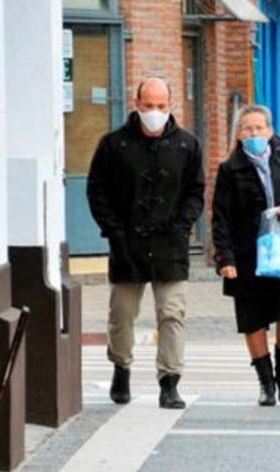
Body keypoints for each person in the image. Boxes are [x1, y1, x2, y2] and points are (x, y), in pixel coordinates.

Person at [87, 77, 205, 410]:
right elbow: (98, 191)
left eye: (161, 106)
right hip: (127, 245)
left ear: (171, 105)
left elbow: (196, 192)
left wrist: (182, 226)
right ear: (136, 104)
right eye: (149, 106)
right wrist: (114, 231)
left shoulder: (187, 145)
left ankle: (170, 382)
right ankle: (121, 367)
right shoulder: (113, 145)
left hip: (171, 245)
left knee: (172, 314)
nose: (155, 112)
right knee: (121, 314)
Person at [212, 105, 280, 407]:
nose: (254, 134)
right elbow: (220, 217)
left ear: (270, 131)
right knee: (252, 320)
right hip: (247, 255)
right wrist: (225, 259)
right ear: (239, 134)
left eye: (259, 128)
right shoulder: (230, 169)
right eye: (247, 129)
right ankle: (265, 383)